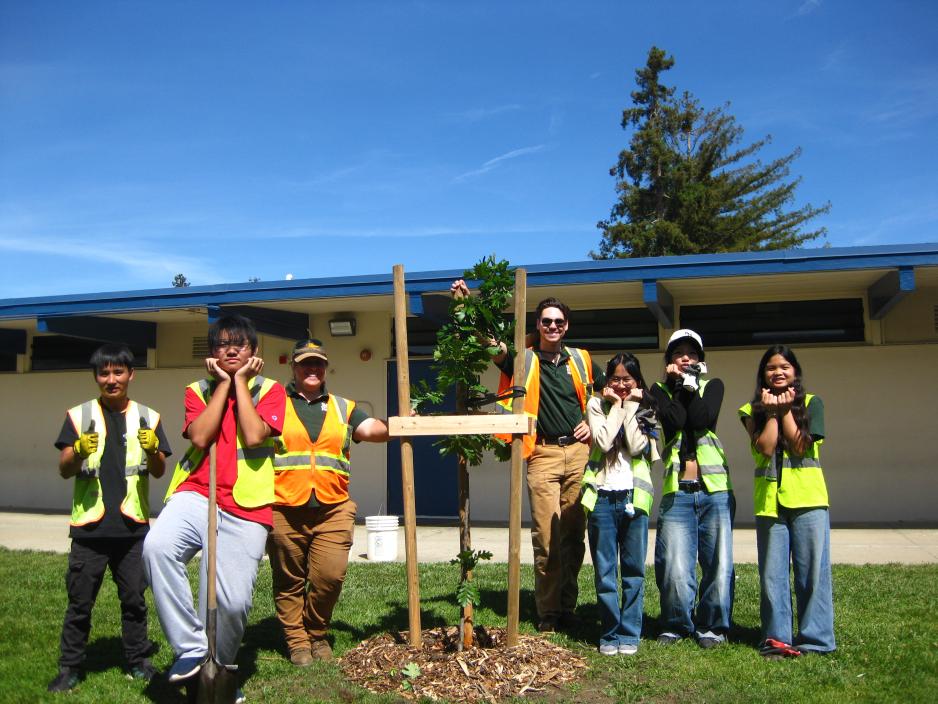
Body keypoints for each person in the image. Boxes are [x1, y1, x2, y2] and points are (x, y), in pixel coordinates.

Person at [143, 314, 285, 698]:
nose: (232, 349)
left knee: (233, 602)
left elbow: (255, 436)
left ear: (255, 352)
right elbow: (201, 437)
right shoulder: (196, 389)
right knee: (157, 548)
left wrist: (239, 382)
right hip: (195, 492)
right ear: (212, 353)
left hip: (247, 504)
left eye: (240, 344)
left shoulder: (271, 390)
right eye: (223, 344)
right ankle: (190, 649)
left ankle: (220, 668)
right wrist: (222, 385)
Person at [451, 280, 604, 632]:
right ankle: (549, 612)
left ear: (567, 326)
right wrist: (465, 305)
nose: (553, 327)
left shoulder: (581, 359)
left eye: (559, 322)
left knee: (573, 536)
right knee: (547, 539)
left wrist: (591, 425)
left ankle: (568, 606)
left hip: (580, 454)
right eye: (547, 321)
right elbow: (490, 345)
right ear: (538, 325)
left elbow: (606, 397)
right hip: (543, 454)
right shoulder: (523, 360)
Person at [48, 343, 171, 692]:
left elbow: (160, 470)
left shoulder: (149, 416)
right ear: (96, 377)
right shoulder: (78, 415)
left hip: (132, 528)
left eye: (118, 372)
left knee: (134, 601)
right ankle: (70, 667)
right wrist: (78, 452)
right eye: (104, 373)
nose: (111, 379)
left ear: (131, 375)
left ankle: (137, 661)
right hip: (89, 528)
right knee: (80, 604)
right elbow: (64, 469)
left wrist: (152, 449)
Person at [267, 339, 391, 666]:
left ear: (325, 368)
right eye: (306, 363)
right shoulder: (273, 402)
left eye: (318, 363)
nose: (312, 369)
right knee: (289, 580)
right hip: (283, 506)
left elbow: (373, 429)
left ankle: (316, 631)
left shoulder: (343, 407)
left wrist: (400, 424)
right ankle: (298, 642)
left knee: (330, 576)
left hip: (333, 507)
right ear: (293, 368)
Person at [739, 345, 835, 657]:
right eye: (771, 368)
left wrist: (784, 412)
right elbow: (766, 448)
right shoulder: (749, 410)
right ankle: (776, 638)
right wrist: (770, 413)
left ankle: (815, 639)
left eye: (785, 367)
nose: (778, 372)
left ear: (795, 371)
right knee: (772, 575)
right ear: (762, 375)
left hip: (808, 500)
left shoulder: (812, 403)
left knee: (812, 573)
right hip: (769, 503)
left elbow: (798, 447)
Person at [649, 329, 734, 648]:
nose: (686, 358)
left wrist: (689, 385)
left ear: (701, 359)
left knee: (718, 561)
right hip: (677, 488)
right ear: (669, 360)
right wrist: (680, 386)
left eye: (692, 353)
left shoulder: (714, 386)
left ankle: (712, 624)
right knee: (674, 561)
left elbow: (701, 417)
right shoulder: (657, 389)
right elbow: (672, 421)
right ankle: (675, 623)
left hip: (714, 488)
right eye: (678, 353)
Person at [583, 353, 659, 656]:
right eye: (616, 378)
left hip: (633, 497)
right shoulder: (595, 405)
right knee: (604, 572)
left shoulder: (648, 408)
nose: (621, 384)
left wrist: (629, 407)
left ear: (637, 381)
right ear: (608, 381)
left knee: (633, 571)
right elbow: (602, 441)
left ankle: (630, 633)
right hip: (601, 498)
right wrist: (617, 406)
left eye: (627, 379)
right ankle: (610, 631)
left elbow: (638, 444)